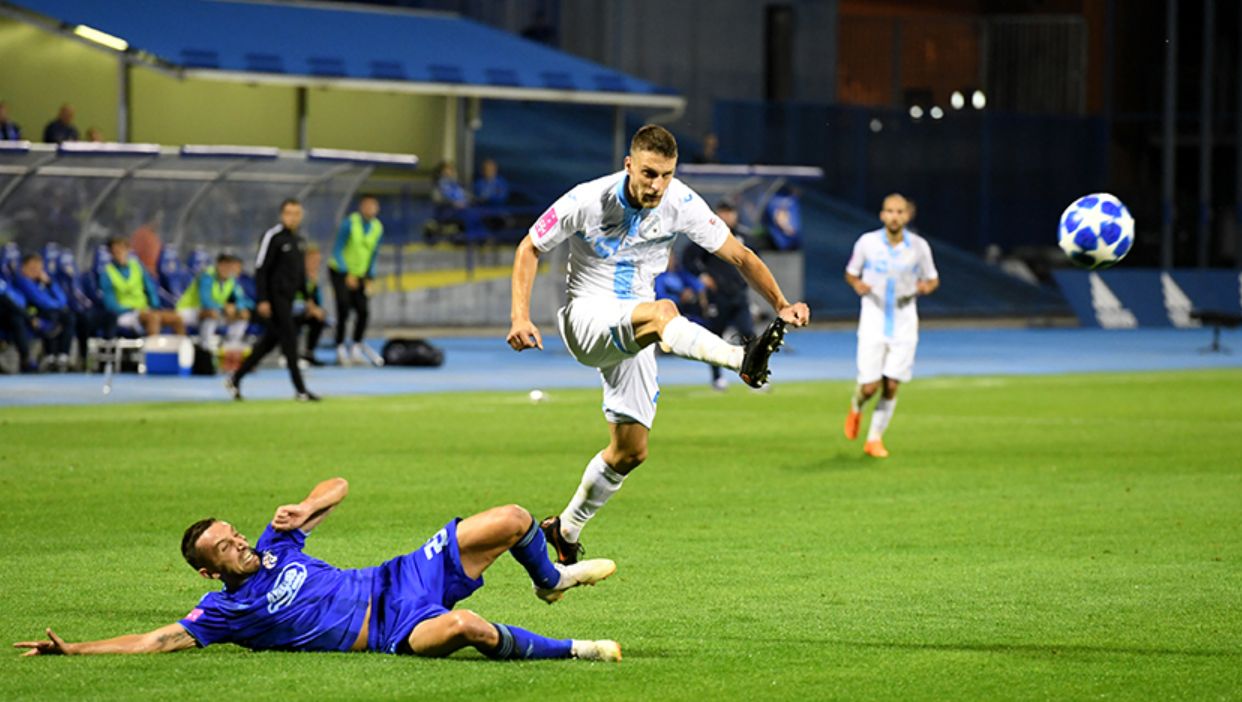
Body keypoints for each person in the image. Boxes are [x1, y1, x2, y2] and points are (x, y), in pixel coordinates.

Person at [507, 124, 811, 563]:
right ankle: (740, 359)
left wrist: (781, 304)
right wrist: (520, 316)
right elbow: (529, 247)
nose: (657, 185)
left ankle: (565, 528)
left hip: (638, 326)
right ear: (629, 165)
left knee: (631, 451)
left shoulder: (680, 202)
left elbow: (740, 256)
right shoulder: (587, 199)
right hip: (588, 317)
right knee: (664, 311)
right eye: (649, 173)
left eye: (666, 174)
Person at [13, 477, 621, 662]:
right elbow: (155, 640)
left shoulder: (275, 543)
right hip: (391, 632)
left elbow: (340, 485)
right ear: (208, 573)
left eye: (232, 534)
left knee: (512, 517)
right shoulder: (226, 611)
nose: (237, 544)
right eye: (223, 549)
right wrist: (76, 650)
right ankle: (578, 650)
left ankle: (550, 582)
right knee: (466, 627)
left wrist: (307, 507)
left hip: (400, 577)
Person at [842, 193, 939, 458]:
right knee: (869, 387)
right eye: (890, 211)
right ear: (882, 215)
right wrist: (857, 284)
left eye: (899, 211)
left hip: (904, 320)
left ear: (907, 215)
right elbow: (850, 273)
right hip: (873, 318)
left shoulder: (918, 247)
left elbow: (932, 278)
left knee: (892, 384)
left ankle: (874, 439)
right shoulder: (867, 242)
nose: (894, 216)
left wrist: (925, 287)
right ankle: (857, 405)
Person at [226, 199, 319, 402]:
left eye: (296, 213)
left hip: (289, 298)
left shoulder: (299, 241)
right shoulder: (273, 237)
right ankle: (300, 390)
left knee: (268, 343)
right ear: (282, 215)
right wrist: (263, 299)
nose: (292, 218)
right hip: (275, 298)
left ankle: (236, 378)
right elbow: (261, 269)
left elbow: (300, 274)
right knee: (290, 339)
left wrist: (309, 298)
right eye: (289, 213)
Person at [682, 202, 757, 391]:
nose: (727, 216)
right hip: (717, 295)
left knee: (749, 334)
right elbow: (688, 258)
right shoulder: (710, 235)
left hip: (739, 294)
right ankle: (717, 378)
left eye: (730, 212)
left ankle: (754, 375)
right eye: (724, 212)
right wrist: (702, 275)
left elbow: (755, 261)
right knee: (714, 337)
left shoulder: (744, 237)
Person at [328, 194, 384, 367]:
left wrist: (370, 276)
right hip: (340, 271)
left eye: (373, 206)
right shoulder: (349, 223)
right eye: (367, 205)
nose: (370, 209)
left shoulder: (377, 227)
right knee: (343, 307)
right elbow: (337, 249)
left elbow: (373, 253)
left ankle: (356, 347)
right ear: (361, 207)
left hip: (360, 274)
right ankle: (339, 347)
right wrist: (346, 274)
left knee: (363, 311)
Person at [99, 237, 186, 336]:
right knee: (153, 318)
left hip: (144, 310)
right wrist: (132, 309)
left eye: (122, 250)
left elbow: (150, 289)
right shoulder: (107, 273)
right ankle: (153, 345)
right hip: (125, 314)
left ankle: (181, 345)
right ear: (111, 254)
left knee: (177, 318)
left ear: (127, 250)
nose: (120, 254)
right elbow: (110, 305)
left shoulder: (137, 266)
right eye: (116, 252)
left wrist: (154, 306)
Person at [176, 253, 251, 349]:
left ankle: (231, 344)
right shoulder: (207, 276)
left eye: (228, 266)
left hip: (213, 311)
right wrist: (224, 307)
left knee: (243, 314)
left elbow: (242, 300)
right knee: (212, 313)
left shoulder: (231, 280)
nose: (226, 269)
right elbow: (206, 301)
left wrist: (236, 308)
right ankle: (205, 346)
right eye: (223, 265)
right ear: (218, 265)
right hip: (187, 311)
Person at [14, 253, 74, 371]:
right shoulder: (22, 281)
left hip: (49, 311)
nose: (36, 272)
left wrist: (50, 284)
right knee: (52, 315)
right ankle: (50, 356)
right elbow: (41, 301)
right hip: (30, 315)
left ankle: (63, 356)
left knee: (68, 316)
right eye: (33, 268)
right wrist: (58, 305)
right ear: (23, 268)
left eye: (39, 268)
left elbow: (63, 299)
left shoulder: (42, 282)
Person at [295, 245, 328, 367]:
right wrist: (308, 307)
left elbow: (318, 299)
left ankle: (309, 353)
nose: (316, 264)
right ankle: (291, 353)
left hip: (307, 311)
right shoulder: (295, 275)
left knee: (320, 318)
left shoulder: (315, 278)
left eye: (318, 261)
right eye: (313, 260)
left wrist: (317, 309)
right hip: (292, 309)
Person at [0, 276, 35, 373]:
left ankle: (26, 358)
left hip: (7, 316)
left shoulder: (6, 279)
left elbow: (14, 298)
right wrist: (28, 317)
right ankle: (26, 358)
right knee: (15, 313)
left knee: (17, 318)